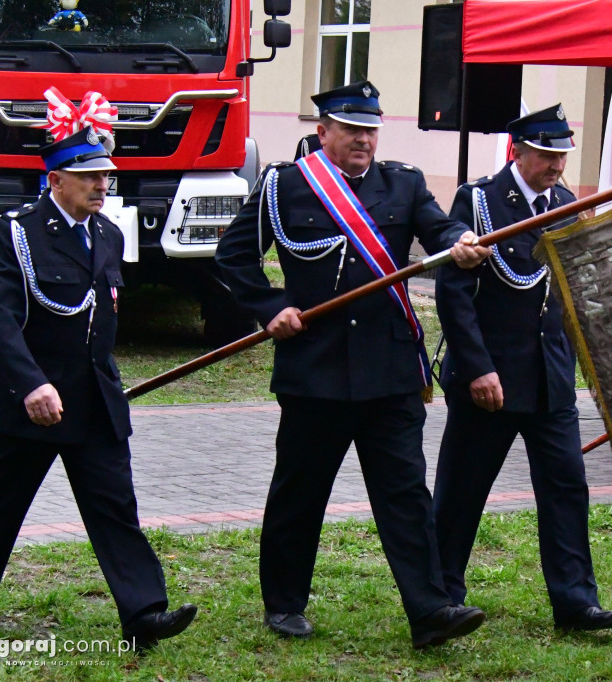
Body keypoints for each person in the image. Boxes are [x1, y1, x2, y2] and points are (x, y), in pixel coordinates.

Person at [216, 81, 490, 649]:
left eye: (370, 130)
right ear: (324, 133)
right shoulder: (284, 186)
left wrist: (459, 237)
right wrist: (270, 308)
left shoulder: (404, 183)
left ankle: (430, 609)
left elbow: (436, 229)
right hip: (314, 370)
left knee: (406, 493)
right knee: (301, 491)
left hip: (388, 372)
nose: (363, 140)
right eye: (351, 130)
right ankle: (285, 603)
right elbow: (232, 258)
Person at [0, 126, 196, 650]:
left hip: (94, 399)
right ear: (55, 179)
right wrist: (32, 383)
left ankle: (144, 613)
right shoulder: (18, 232)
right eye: (88, 176)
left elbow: (101, 318)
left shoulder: (108, 234)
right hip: (32, 401)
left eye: (104, 174)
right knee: (1, 502)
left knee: (114, 506)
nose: (101, 184)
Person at [432, 104, 612, 632]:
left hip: (549, 380)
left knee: (567, 488)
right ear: (519, 150)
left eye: (562, 155)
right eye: (546, 154)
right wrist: (476, 369)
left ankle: (576, 601)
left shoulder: (565, 206)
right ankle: (442, 595)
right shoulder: (480, 201)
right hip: (489, 380)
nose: (556, 165)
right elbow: (454, 293)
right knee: (461, 492)